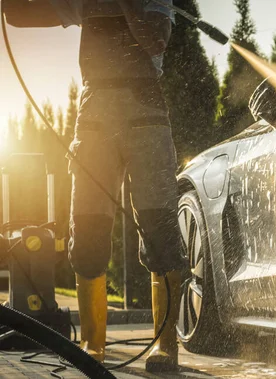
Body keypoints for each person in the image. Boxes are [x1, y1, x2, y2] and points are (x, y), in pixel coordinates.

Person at [4, 0, 186, 372]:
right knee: (86, 229)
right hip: (94, 116)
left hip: (146, 117)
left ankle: (166, 346)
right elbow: (16, 15)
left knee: (160, 227)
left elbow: (154, 39)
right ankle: (91, 345)